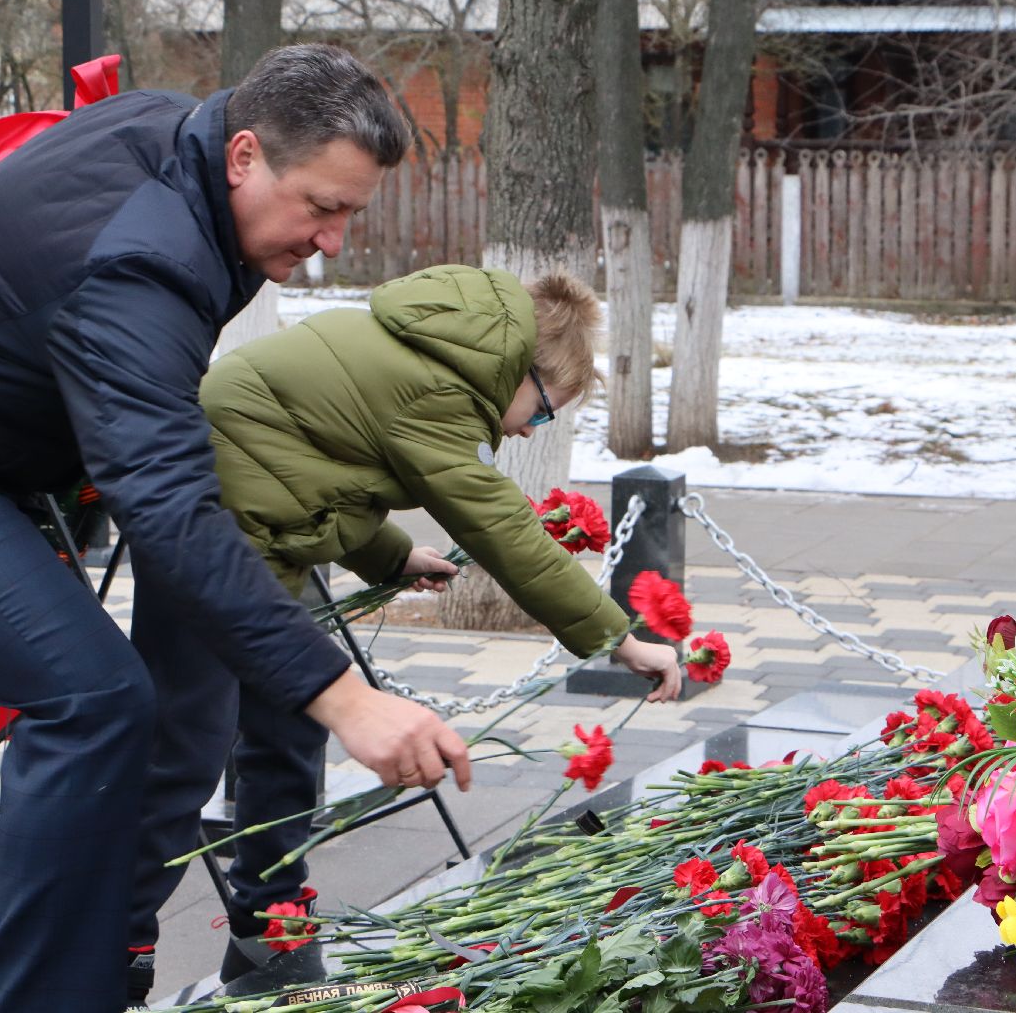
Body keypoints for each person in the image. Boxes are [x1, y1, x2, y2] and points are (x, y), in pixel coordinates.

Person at [0, 44, 473, 1013]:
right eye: (321, 206)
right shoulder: (145, 259)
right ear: (245, 156)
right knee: (93, 700)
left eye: (349, 211)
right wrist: (345, 700)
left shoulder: (179, 133)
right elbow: (168, 507)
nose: (333, 241)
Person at [125, 263, 683, 992]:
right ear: (522, 370)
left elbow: (317, 464)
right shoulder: (441, 391)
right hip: (206, 537)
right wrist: (619, 639)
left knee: (289, 729)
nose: (527, 431)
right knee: (185, 752)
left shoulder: (416, 350)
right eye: (544, 412)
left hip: (242, 526)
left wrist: (391, 555)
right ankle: (110, 949)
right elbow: (503, 530)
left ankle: (271, 925)